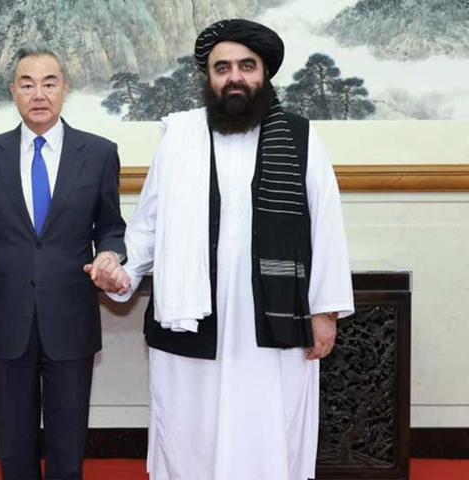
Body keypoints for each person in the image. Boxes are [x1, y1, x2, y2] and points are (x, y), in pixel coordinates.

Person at [95, 19, 354, 480]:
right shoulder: (179, 138)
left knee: (268, 434)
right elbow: (148, 225)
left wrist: (326, 312)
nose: (235, 77)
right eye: (222, 68)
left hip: (273, 322)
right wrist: (123, 271)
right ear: (209, 78)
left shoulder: (300, 137)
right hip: (190, 318)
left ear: (265, 73)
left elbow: (326, 227)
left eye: (246, 66)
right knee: (189, 435)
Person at [0, 43, 126, 480]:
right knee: (14, 448)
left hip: (71, 317)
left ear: (65, 88)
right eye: (27, 85)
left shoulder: (99, 152)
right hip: (10, 318)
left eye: (49, 83)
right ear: (12, 91)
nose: (38, 94)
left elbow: (111, 227)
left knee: (68, 450)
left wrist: (110, 254)